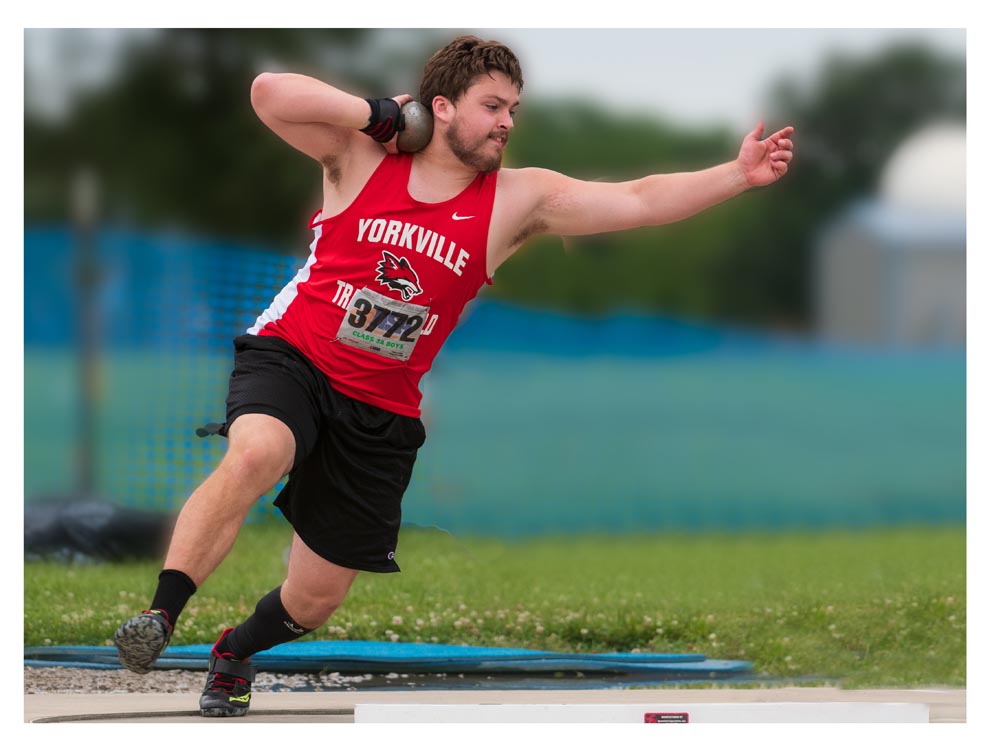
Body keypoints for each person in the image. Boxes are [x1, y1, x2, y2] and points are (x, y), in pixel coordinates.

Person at [113, 34, 794, 717]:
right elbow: (268, 94)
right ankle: (160, 617)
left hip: (380, 405)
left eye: (514, 110)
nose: (507, 121)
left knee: (316, 597)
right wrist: (374, 113)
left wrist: (736, 174)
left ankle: (234, 650)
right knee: (258, 450)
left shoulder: (517, 201)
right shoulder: (359, 156)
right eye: (492, 105)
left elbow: (642, 198)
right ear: (442, 107)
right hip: (295, 355)